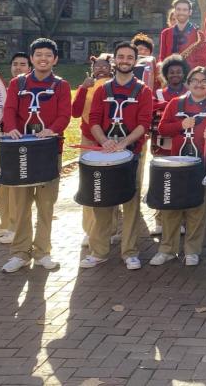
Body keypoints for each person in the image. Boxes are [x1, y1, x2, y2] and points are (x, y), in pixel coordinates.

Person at [0, 38, 71, 273]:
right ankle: (20, 253)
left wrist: (52, 130)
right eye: (39, 54)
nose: (43, 59)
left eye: (48, 55)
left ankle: (42, 252)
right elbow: (9, 109)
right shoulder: (17, 84)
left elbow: (64, 115)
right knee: (20, 205)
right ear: (31, 58)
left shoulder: (61, 86)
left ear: (55, 59)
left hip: (48, 150)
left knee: (45, 204)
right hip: (21, 149)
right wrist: (11, 128)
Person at [81, 42, 154, 271]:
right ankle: (99, 251)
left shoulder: (143, 90)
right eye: (120, 56)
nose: (124, 60)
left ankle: (130, 251)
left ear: (135, 61)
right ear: (114, 60)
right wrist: (104, 141)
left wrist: (123, 143)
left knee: (130, 202)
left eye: (129, 57)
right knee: (102, 201)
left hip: (131, 152)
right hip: (105, 151)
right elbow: (93, 120)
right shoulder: (102, 90)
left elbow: (144, 124)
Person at [152, 67, 206, 267]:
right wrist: (180, 125)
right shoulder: (176, 104)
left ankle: (192, 250)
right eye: (195, 80)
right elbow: (162, 129)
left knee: (197, 210)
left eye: (204, 81)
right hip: (177, 166)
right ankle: (167, 249)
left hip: (201, 165)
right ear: (188, 82)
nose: (199, 84)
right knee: (171, 210)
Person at [0, 51, 32, 245]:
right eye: (15, 63)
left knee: (14, 187)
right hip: (3, 141)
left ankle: (15, 227)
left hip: (20, 143)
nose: (18, 67)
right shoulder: (3, 87)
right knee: (1, 184)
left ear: (29, 68)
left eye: (22, 64)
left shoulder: (28, 88)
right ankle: (4, 223)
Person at [72, 54, 115, 244]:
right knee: (89, 184)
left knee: (110, 185)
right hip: (88, 139)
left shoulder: (114, 86)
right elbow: (75, 112)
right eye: (97, 67)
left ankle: (111, 229)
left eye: (105, 66)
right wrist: (82, 88)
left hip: (109, 140)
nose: (101, 70)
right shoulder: (87, 86)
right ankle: (89, 229)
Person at [158, 0, 206, 66]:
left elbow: (202, 61)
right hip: (170, 74)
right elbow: (162, 58)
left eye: (185, 10)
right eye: (178, 9)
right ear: (174, 12)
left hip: (190, 74)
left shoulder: (199, 34)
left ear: (190, 12)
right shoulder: (165, 33)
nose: (181, 12)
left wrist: (184, 67)